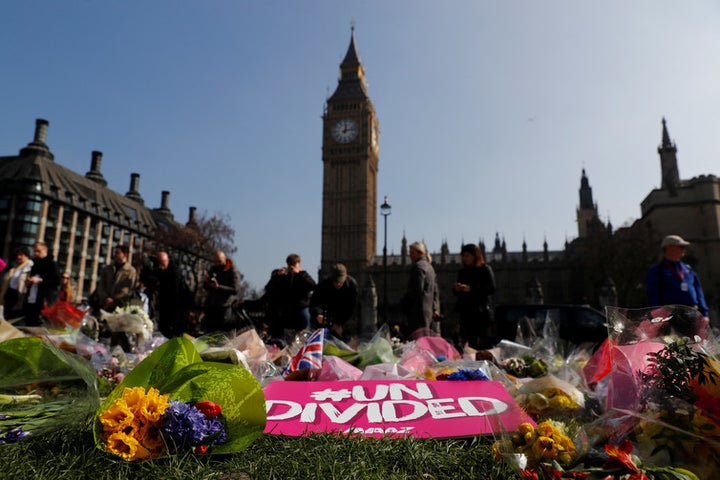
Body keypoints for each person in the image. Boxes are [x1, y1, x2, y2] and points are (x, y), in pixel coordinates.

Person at [646, 234, 709, 320]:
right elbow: (653, 296)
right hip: (670, 317)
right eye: (681, 246)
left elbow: (699, 292)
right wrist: (658, 317)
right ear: (669, 248)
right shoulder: (657, 270)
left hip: (692, 314)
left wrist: (704, 314)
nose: (684, 249)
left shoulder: (688, 269)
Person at [453, 244, 497, 350]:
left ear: (475, 256)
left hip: (481, 314)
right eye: (463, 256)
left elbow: (491, 288)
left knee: (485, 344)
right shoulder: (462, 272)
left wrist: (471, 289)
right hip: (466, 314)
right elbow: (457, 293)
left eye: (467, 256)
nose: (465, 258)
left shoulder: (485, 269)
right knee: (469, 345)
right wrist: (457, 289)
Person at [401, 241, 440, 339]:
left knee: (417, 343)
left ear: (420, 253)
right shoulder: (430, 268)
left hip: (417, 312)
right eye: (409, 253)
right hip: (428, 312)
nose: (410, 256)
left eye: (412, 253)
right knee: (425, 342)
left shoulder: (418, 267)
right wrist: (435, 308)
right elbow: (435, 292)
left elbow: (416, 290)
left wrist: (403, 303)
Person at [310, 263, 358, 339]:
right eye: (335, 281)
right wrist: (318, 314)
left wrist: (339, 323)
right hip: (326, 316)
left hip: (343, 318)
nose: (338, 284)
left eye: (340, 281)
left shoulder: (351, 285)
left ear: (345, 277)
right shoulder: (323, 284)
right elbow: (315, 302)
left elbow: (351, 308)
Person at [276, 253, 316, 341]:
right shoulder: (286, 277)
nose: (292, 267)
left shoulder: (303, 275)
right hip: (289, 310)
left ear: (299, 264)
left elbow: (313, 285)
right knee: (289, 337)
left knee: (304, 334)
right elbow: (275, 290)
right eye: (290, 265)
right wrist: (278, 276)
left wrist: (300, 274)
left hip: (302, 308)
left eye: (294, 265)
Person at [202, 250, 241, 333]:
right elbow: (207, 287)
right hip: (212, 306)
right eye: (215, 262)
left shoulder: (233, 270)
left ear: (225, 259)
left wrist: (218, 287)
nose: (217, 264)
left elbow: (235, 289)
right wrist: (206, 282)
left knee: (222, 335)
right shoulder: (213, 268)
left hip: (225, 308)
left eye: (219, 261)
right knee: (210, 334)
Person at [24, 241, 61, 326]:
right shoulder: (34, 264)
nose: (36, 253)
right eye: (35, 251)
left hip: (43, 301)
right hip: (31, 299)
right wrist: (28, 282)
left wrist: (40, 280)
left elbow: (56, 282)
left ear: (45, 250)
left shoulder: (52, 264)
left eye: (38, 251)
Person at [153, 250, 188, 338]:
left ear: (167, 260)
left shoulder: (175, 271)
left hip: (175, 307)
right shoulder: (159, 271)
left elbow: (174, 289)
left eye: (162, 262)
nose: (161, 265)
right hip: (163, 305)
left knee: (173, 332)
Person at [93, 245, 138, 312]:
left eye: (118, 253)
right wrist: (105, 298)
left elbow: (127, 290)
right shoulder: (107, 269)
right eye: (115, 252)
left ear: (125, 254)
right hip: (104, 305)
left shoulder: (130, 271)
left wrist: (114, 301)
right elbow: (101, 286)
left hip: (120, 308)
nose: (115, 255)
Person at [0, 247, 34, 321]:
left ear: (27, 256)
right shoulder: (15, 267)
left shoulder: (29, 266)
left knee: (13, 316)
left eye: (21, 255)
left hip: (19, 295)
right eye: (18, 255)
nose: (18, 257)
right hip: (10, 294)